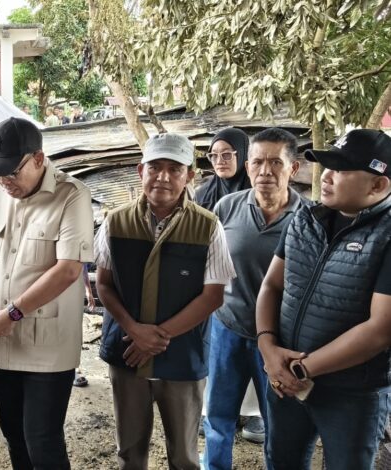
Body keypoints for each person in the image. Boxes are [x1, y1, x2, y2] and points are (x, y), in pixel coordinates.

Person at [0, 117, 95, 469]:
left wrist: (13, 313)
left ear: (38, 158)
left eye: (12, 173)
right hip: (0, 342)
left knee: (42, 440)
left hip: (47, 345)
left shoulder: (71, 195)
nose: (5, 182)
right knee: (13, 434)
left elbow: (68, 269)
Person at [95, 133, 235, 470]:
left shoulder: (208, 226)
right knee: (130, 451)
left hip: (182, 356)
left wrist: (156, 338)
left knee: (185, 456)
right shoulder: (115, 222)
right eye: (155, 167)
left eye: (175, 169)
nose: (163, 177)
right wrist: (135, 331)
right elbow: (104, 285)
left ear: (189, 176)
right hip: (126, 351)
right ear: (139, 170)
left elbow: (212, 296)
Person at [256, 128, 391, 469]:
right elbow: (272, 286)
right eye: (327, 166)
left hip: (352, 394)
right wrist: (268, 348)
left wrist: (302, 368)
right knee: (281, 461)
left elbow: (380, 330)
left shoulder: (386, 236)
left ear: (378, 185)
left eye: (342, 170)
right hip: (285, 381)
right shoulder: (305, 219)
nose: (327, 176)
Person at [202, 128, 306, 470]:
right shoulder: (226, 208)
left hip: (281, 340)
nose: (266, 171)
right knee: (218, 415)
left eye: (276, 162)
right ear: (247, 167)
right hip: (226, 328)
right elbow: (209, 266)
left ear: (294, 168)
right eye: (258, 162)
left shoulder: (310, 219)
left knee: (280, 421)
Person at [195, 128, 252, 211]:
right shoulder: (202, 195)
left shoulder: (260, 193)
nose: (219, 161)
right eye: (214, 155)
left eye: (226, 154)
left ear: (243, 154)